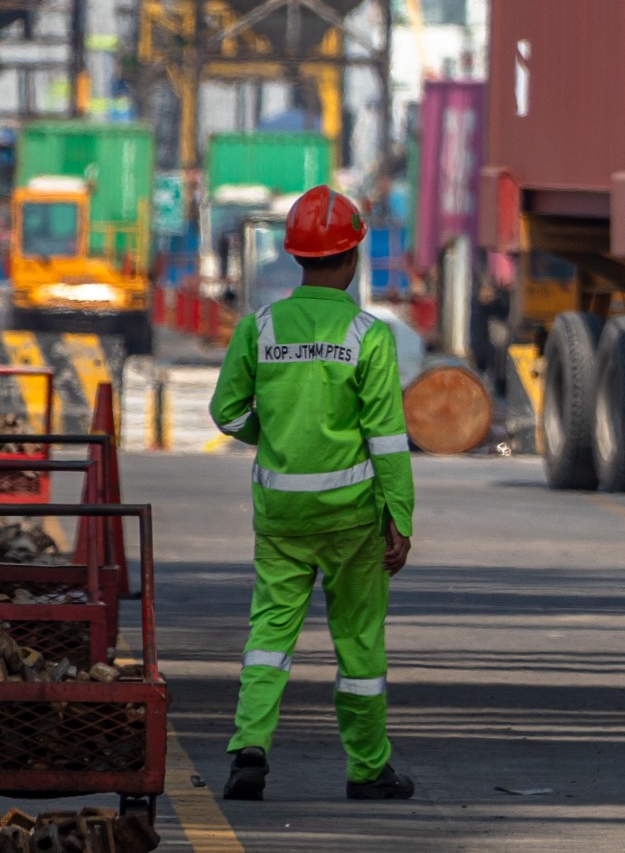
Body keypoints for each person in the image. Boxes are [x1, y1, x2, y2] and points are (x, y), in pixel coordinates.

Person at [210, 186, 419, 802]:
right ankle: (366, 768)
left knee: (269, 635)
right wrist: (398, 517)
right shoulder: (367, 336)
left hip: (280, 515)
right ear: (352, 256)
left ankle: (250, 750)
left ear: (295, 256)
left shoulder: (261, 327)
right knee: (358, 641)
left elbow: (226, 413)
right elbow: (386, 439)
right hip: (352, 518)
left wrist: (270, 432)